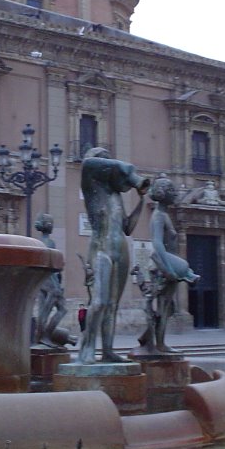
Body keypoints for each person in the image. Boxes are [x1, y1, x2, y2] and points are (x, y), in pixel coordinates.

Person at [77, 148, 149, 364]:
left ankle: (107, 350)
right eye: (105, 163)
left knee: (112, 305)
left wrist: (142, 200)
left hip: (121, 249)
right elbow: (88, 163)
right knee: (98, 301)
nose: (109, 168)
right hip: (101, 249)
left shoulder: (116, 196)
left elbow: (127, 227)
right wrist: (127, 169)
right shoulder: (92, 189)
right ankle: (87, 348)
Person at [136, 176, 199, 355]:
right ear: (164, 194)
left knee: (168, 308)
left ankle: (147, 336)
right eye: (172, 191)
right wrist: (169, 269)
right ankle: (160, 345)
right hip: (161, 267)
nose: (175, 193)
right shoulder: (158, 216)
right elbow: (156, 244)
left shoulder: (164, 215)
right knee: (164, 307)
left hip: (166, 264)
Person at [32, 213, 74, 347]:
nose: (53, 227)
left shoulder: (39, 243)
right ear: (48, 226)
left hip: (42, 282)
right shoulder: (49, 242)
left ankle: (41, 337)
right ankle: (45, 336)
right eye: (52, 224)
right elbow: (52, 266)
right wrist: (57, 285)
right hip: (51, 283)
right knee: (60, 309)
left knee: (43, 310)